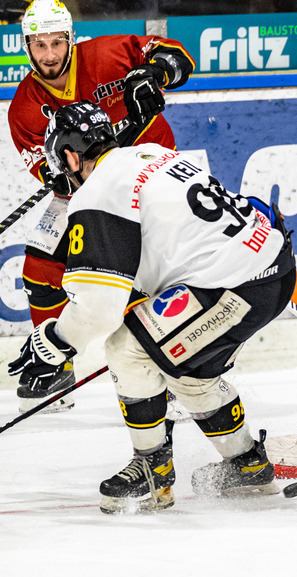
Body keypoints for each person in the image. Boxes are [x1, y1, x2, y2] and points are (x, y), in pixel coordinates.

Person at [7, 101, 296, 514]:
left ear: (70, 155)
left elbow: (98, 309)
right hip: (269, 263)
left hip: (236, 286)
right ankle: (248, 467)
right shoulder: (150, 154)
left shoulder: (97, 194)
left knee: (127, 348)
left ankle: (151, 469)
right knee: (189, 373)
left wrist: (54, 343)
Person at [8, 0, 194, 413]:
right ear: (26, 46)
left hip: (153, 172)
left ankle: (178, 371)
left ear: (71, 40)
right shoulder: (24, 107)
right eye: (40, 45)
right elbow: (55, 178)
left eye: (58, 42)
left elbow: (177, 54)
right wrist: (71, 167)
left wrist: (155, 73)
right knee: (39, 268)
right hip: (88, 192)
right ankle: (54, 367)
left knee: (155, 274)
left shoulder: (108, 54)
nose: (50, 54)